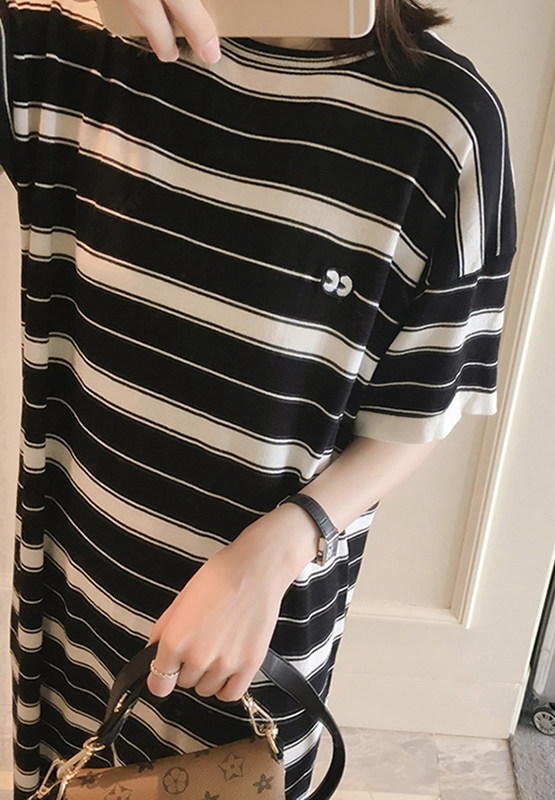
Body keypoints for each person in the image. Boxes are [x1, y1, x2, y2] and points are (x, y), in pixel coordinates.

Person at [0, 0, 517, 797]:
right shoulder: (73, 47)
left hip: (259, 632)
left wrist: (278, 548)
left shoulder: (444, 129)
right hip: (80, 594)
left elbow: (417, 410)